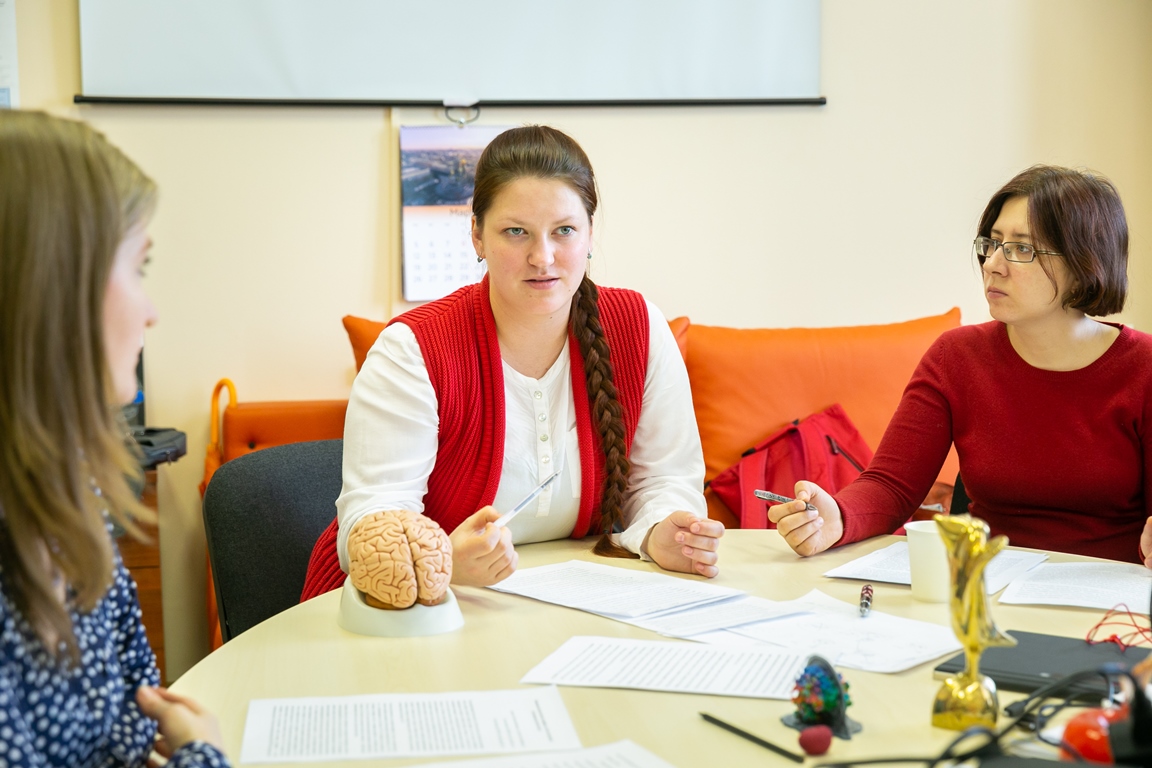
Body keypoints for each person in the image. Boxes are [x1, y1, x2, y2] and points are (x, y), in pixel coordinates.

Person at [302, 125, 723, 597]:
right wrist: (444, 563)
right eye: (516, 232)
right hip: (407, 607)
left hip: (570, 600)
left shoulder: (638, 327)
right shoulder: (412, 348)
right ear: (477, 237)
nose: (542, 257)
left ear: (589, 233)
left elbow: (663, 479)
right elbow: (374, 517)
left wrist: (660, 531)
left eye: (564, 230)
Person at [769, 165, 1152, 565]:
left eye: (1022, 249)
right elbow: (891, 487)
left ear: (1084, 265)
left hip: (1110, 591)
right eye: (993, 243)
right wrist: (835, 518)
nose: (993, 264)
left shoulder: (1143, 368)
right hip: (985, 585)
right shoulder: (957, 356)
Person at [0, 111, 229, 766]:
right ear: (52, 287)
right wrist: (202, 758)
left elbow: (137, 713)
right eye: (138, 267)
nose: (150, 312)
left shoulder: (67, 483)